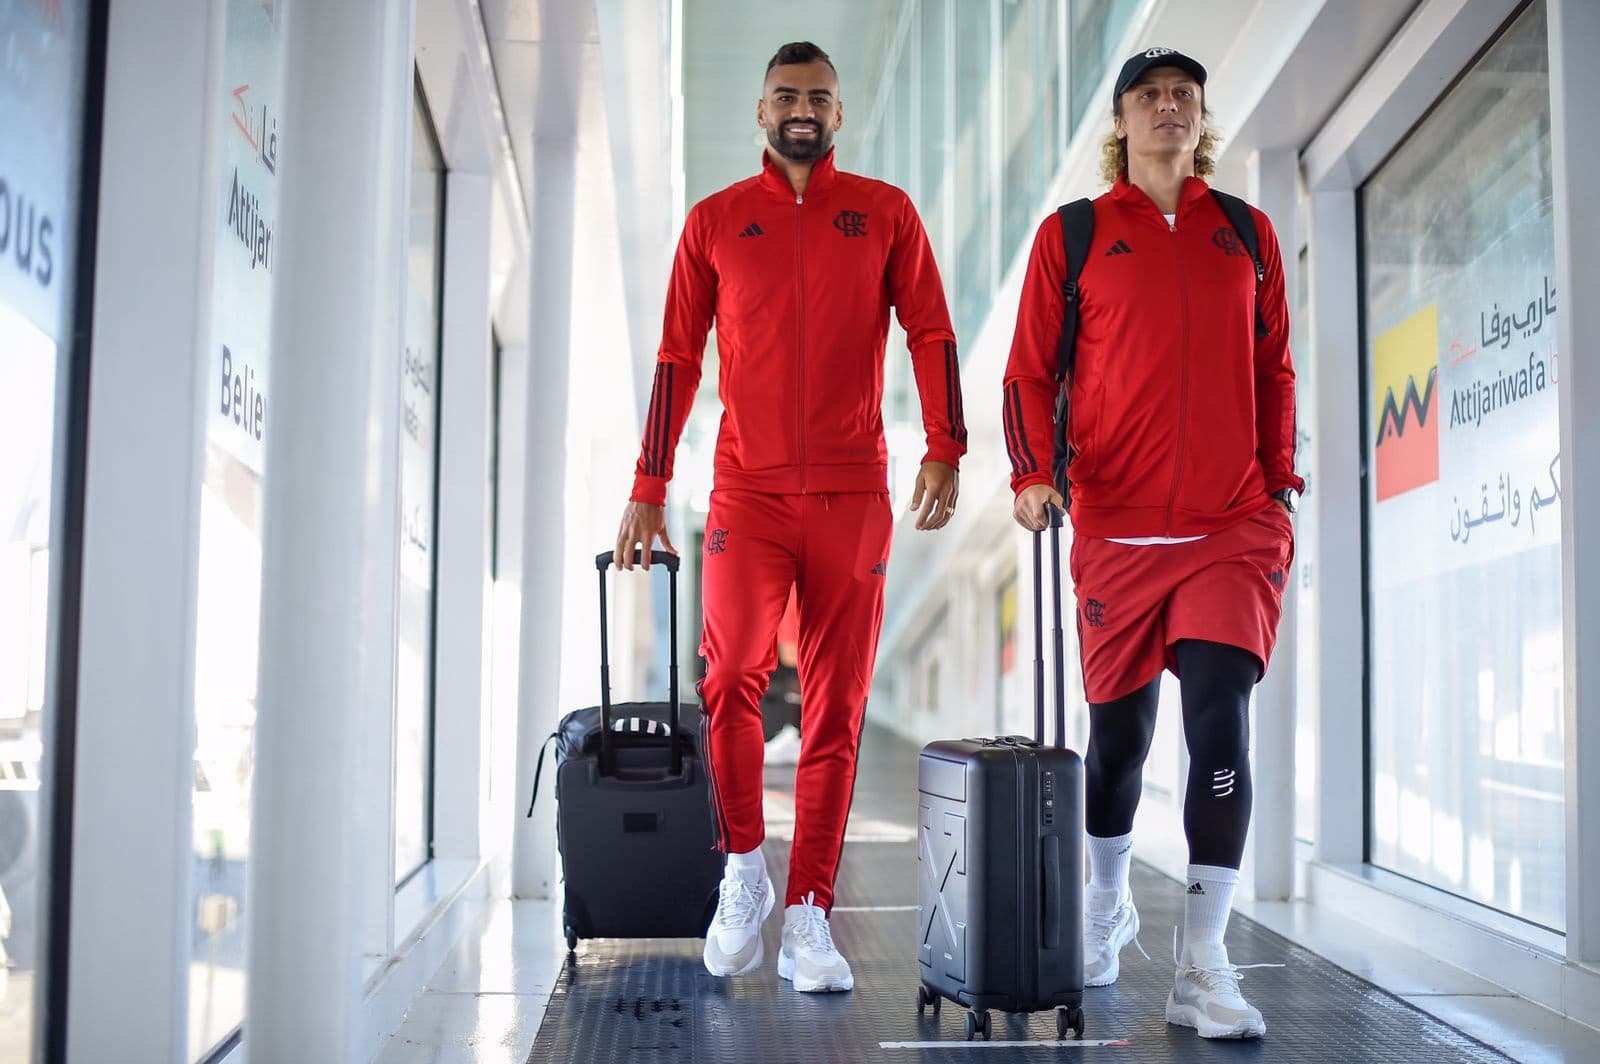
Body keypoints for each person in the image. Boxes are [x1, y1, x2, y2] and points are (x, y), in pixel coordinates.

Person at [613, 40, 966, 993]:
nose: (800, 109)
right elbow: (677, 360)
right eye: (784, 97)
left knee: (837, 705)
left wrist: (945, 443)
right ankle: (743, 874)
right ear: (760, 113)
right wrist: (649, 482)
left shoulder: (886, 213)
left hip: (854, 492)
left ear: (839, 115)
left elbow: (931, 327)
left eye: (817, 97)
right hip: (749, 492)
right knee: (728, 675)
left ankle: (810, 909)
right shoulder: (716, 223)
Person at [1002, 47, 1301, 1039]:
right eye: (1148, 96)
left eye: (1182, 96)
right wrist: (1029, 472)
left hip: (1228, 527)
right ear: (1122, 121)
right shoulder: (1076, 235)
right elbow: (1027, 370)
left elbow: (1275, 369)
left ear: (1201, 116)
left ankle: (1202, 960)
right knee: (1118, 746)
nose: (1167, 108)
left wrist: (1276, 487)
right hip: (1118, 530)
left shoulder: (1246, 233)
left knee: (1219, 721)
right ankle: (1104, 902)